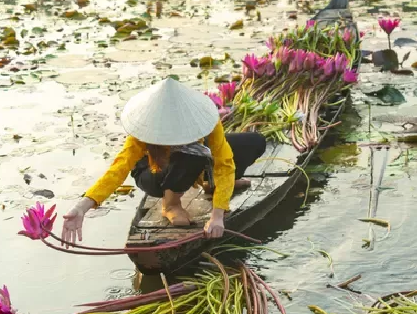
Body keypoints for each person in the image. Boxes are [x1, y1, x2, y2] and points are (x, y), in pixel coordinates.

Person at [61, 78, 266, 244]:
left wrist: (218, 214)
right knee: (192, 154)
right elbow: (118, 169)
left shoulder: (205, 120)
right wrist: (82, 207)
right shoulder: (144, 131)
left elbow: (225, 162)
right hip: (153, 174)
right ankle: (170, 204)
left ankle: (211, 185)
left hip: (193, 162)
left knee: (254, 142)